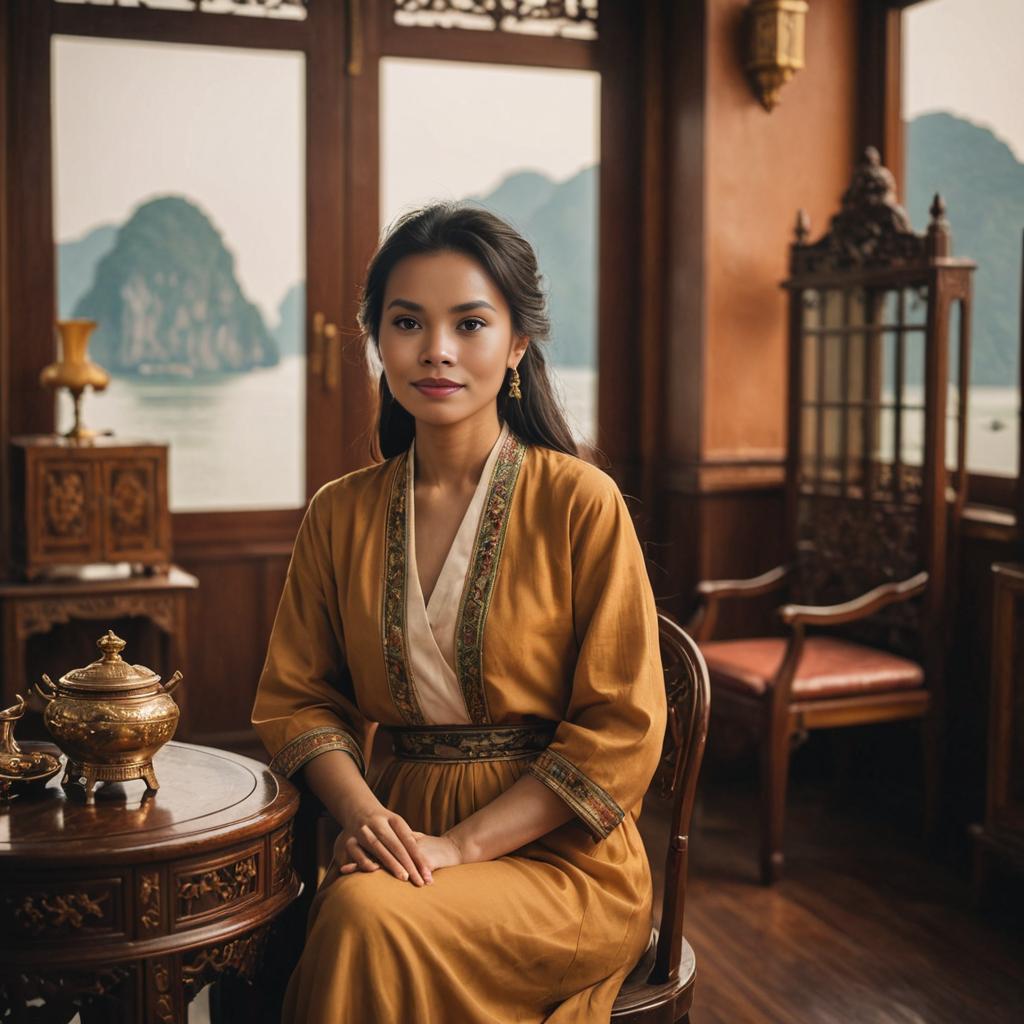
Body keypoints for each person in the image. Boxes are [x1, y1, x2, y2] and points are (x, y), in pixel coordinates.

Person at [251, 203, 667, 1023]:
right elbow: (297, 698)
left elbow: (623, 728)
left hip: (561, 862)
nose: (436, 350)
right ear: (378, 340)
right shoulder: (340, 514)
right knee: (359, 908)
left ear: (516, 344)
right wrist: (368, 817)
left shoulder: (580, 502)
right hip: (397, 834)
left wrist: (459, 848)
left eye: (469, 323)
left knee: (363, 919)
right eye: (407, 322)